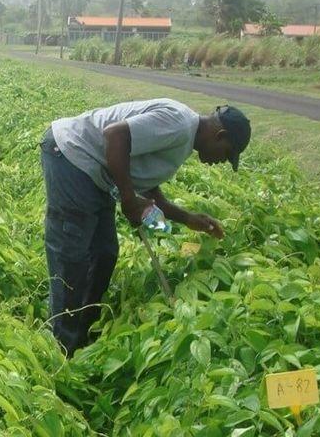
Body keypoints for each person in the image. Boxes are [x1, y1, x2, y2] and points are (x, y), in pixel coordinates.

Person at [38, 99, 251, 356]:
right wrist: (128, 199)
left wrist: (188, 218)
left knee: (104, 254)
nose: (221, 161)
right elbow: (114, 136)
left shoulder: (184, 139)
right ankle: (61, 350)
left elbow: (150, 190)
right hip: (72, 156)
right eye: (227, 154)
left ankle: (84, 331)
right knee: (72, 258)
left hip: (95, 173)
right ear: (221, 135)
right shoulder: (180, 125)